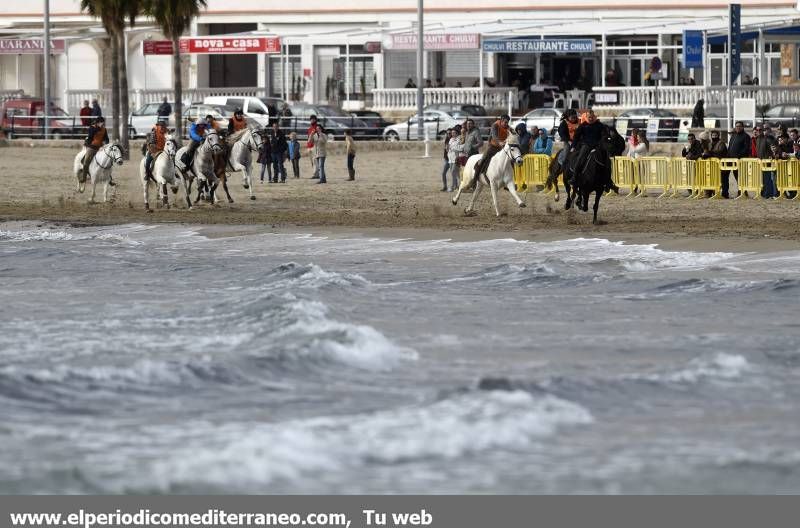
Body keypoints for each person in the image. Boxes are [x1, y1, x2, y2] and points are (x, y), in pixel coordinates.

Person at [472, 114, 511, 184]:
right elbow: (494, 136)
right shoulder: (495, 125)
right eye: (505, 122)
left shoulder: (508, 127)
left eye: (507, 122)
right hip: (492, 146)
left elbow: (513, 134)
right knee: (483, 159)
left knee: (509, 160)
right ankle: (474, 179)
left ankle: (508, 179)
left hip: (501, 148)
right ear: (501, 120)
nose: (506, 124)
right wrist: (500, 142)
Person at [82, 116, 112, 185]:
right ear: (98, 123)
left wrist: (105, 143)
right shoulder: (92, 128)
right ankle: (84, 177)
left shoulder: (104, 129)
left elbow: (106, 139)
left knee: (108, 160)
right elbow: (90, 137)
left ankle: (109, 179)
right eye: (102, 123)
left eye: (103, 123)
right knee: (86, 160)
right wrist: (98, 128)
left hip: (100, 148)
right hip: (92, 147)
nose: (103, 124)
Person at [724, 121, 750, 198]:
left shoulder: (746, 136)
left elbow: (746, 149)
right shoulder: (733, 135)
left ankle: (742, 192)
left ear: (743, 127)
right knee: (730, 176)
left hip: (740, 160)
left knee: (740, 176)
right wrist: (727, 156)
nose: (737, 127)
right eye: (736, 126)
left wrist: (738, 156)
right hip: (730, 160)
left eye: (739, 126)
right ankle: (727, 193)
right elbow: (730, 147)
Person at [754, 125, 778, 198]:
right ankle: (765, 193)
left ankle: (769, 194)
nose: (758, 131)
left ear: (763, 130)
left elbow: (773, 149)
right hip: (760, 162)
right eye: (757, 130)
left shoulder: (768, 139)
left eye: (760, 130)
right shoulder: (758, 139)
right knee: (763, 179)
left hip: (768, 162)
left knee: (768, 178)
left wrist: (773, 155)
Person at [144, 117, 168, 181]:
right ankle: (147, 174)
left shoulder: (165, 133)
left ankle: (175, 172)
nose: (163, 127)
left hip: (163, 150)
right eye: (161, 126)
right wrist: (158, 148)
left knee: (172, 158)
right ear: (158, 126)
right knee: (148, 161)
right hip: (153, 150)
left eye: (164, 126)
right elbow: (152, 143)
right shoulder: (154, 132)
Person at [446, 127, 464, 192]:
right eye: (452, 133)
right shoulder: (451, 139)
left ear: (457, 133)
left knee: (454, 172)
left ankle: (454, 186)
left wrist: (452, 148)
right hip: (450, 159)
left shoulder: (459, 139)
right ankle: (457, 186)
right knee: (454, 173)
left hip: (456, 158)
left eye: (454, 133)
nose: (453, 134)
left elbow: (460, 148)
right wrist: (448, 148)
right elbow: (449, 149)